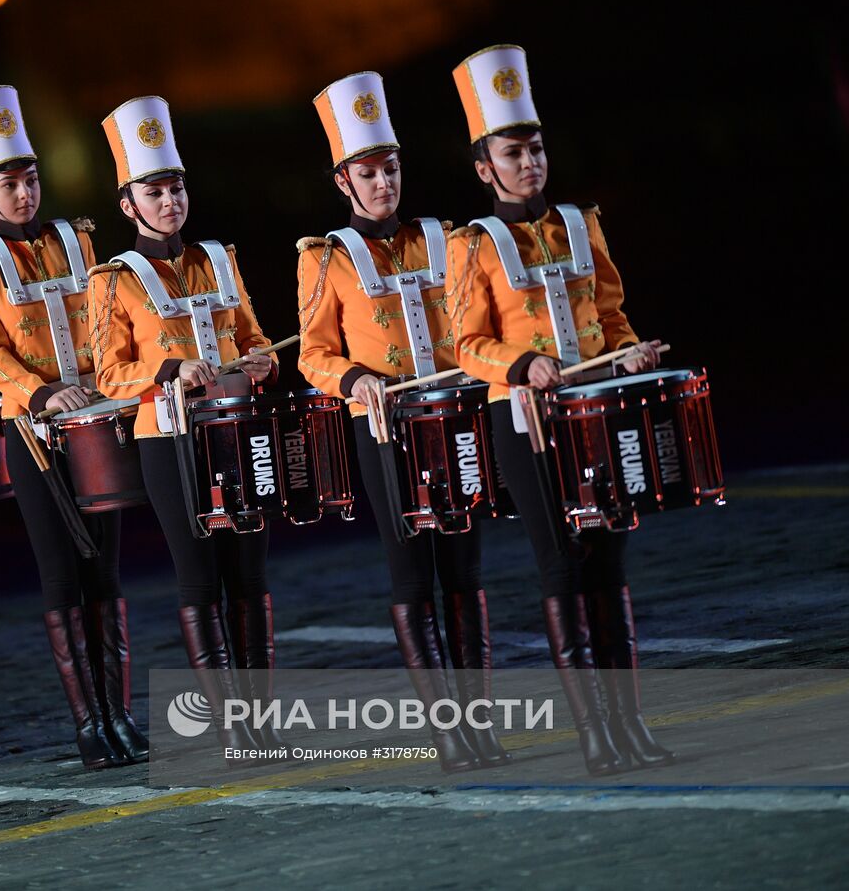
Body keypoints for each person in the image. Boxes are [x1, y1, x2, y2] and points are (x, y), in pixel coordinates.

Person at [445, 45, 673, 774]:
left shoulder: (582, 224)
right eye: (514, 153)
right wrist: (521, 365)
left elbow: (612, 314)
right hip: (527, 423)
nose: (531, 163)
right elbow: (463, 341)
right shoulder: (471, 244)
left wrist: (632, 351)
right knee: (562, 567)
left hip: (596, 414)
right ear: (485, 167)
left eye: (536, 149)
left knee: (610, 563)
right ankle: (593, 733)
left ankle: (630, 723)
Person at [296, 72, 508, 771]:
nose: (383, 183)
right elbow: (314, 354)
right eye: (368, 172)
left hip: (452, 417)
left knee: (465, 564)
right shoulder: (323, 257)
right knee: (413, 570)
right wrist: (356, 378)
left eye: (390, 169)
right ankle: (448, 727)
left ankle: (478, 716)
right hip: (384, 428)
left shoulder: (444, 239)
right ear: (343, 181)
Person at [0, 85, 148, 769]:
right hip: (33, 432)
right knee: (62, 575)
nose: (25, 193)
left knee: (107, 569)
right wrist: (40, 394)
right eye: (11, 183)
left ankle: (120, 710)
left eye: (31, 179)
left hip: (94, 420)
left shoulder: (77, 238)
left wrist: (98, 384)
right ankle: (89, 720)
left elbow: (100, 316)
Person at [88, 96, 280, 758]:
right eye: (154, 191)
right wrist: (169, 366)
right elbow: (110, 375)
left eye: (175, 188)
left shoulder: (219, 259)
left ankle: (262, 713)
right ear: (128, 203)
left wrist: (262, 359)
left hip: (234, 430)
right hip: (167, 440)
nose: (169, 201)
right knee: (200, 574)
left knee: (248, 570)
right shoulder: (112, 279)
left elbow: (255, 338)